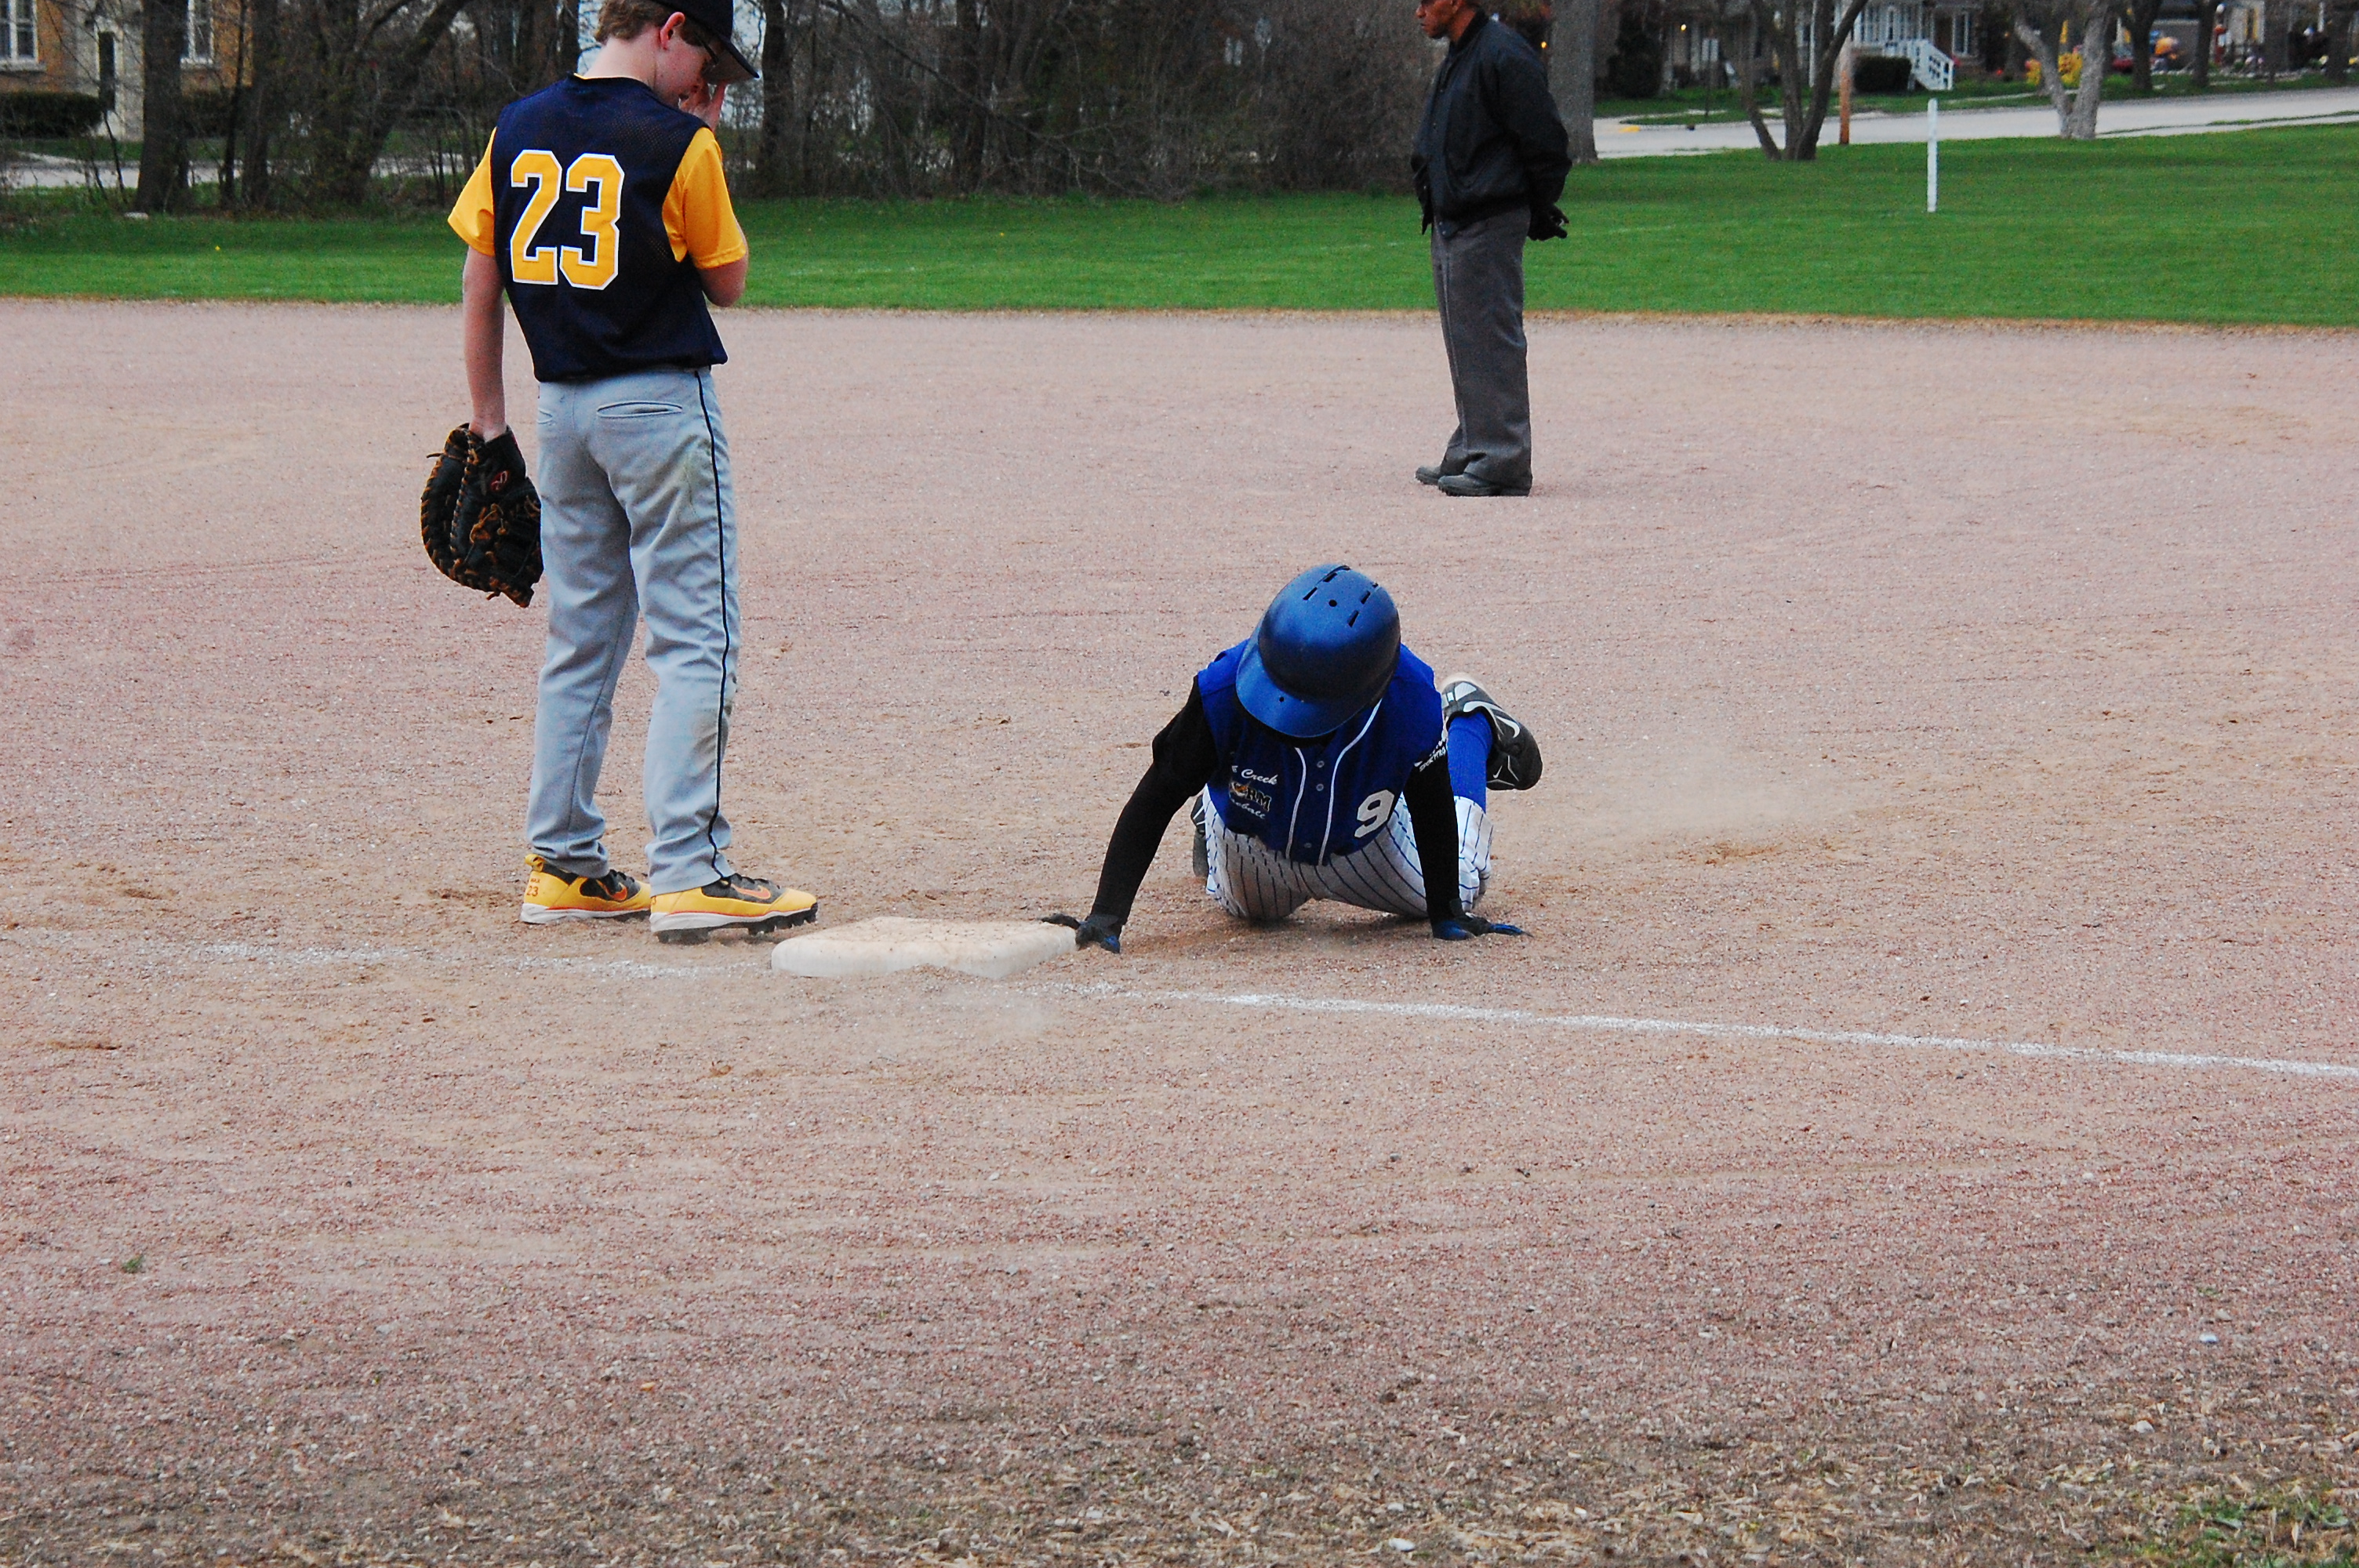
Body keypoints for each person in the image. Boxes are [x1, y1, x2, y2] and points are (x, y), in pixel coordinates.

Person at [447, 0, 820, 944]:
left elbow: (480, 284)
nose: (706, 83)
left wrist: (489, 426)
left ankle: (563, 862)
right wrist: (700, 137)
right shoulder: (676, 142)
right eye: (706, 60)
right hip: (656, 407)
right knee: (698, 637)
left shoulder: (516, 125)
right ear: (670, 27)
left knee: (582, 637)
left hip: (561, 414)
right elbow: (728, 282)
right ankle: (691, 867)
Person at [1045, 565, 1543, 952]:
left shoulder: (1409, 699)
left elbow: (1431, 805)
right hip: (1254, 838)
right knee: (1250, 913)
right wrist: (1106, 917)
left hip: (1364, 844)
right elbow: (1158, 793)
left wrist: (1447, 913)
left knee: (1462, 878)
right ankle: (1215, 803)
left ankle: (1471, 722)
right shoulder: (1223, 688)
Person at [1410, 0, 1572, 499]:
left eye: (1426, 1)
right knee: (1466, 341)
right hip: (1454, 218)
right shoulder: (1463, 55)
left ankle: (1503, 460)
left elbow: (1547, 142)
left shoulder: (1503, 54)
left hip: (1488, 217)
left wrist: (1532, 207)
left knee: (1492, 339)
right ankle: (1474, 445)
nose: (1418, 12)